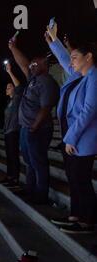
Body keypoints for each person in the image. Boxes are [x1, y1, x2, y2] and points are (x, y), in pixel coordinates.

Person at [45, 23, 97, 234]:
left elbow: (89, 110)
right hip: (71, 135)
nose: (72, 60)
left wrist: (71, 137)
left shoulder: (94, 77)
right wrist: (54, 41)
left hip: (81, 138)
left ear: (89, 57)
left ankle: (88, 220)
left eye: (76, 57)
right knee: (73, 178)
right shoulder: (79, 75)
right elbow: (65, 61)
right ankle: (76, 215)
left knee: (81, 179)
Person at [8, 36, 60, 204]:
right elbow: (23, 64)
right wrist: (13, 48)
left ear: (45, 65)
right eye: (32, 65)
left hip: (38, 128)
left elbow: (46, 108)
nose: (31, 67)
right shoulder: (33, 79)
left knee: (38, 161)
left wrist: (34, 126)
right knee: (29, 161)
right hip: (27, 128)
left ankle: (41, 194)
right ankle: (30, 190)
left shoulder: (47, 82)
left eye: (35, 64)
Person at [0, 62, 23, 188]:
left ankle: (15, 179)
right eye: (7, 87)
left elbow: (19, 86)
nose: (6, 89)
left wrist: (9, 72)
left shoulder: (17, 98)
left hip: (14, 131)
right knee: (9, 155)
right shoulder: (9, 102)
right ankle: (9, 177)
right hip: (7, 131)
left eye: (9, 87)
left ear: (14, 88)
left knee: (13, 155)